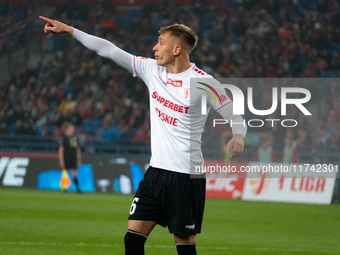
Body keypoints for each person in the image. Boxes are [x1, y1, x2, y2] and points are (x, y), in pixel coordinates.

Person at [40, 16, 247, 255]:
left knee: (184, 247)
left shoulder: (204, 83)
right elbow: (109, 50)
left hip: (185, 178)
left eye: (160, 42)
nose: (154, 48)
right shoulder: (152, 70)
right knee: (132, 240)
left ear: (177, 49)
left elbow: (234, 113)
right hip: (155, 174)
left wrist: (238, 135)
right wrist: (70, 30)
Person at [58, 122, 82, 192]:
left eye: (72, 129)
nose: (72, 130)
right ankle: (64, 188)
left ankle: (78, 189)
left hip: (73, 158)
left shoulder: (74, 139)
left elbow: (77, 149)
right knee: (65, 172)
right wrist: (61, 160)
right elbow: (61, 150)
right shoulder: (64, 139)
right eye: (70, 129)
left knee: (74, 173)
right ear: (67, 130)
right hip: (66, 158)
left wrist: (78, 159)